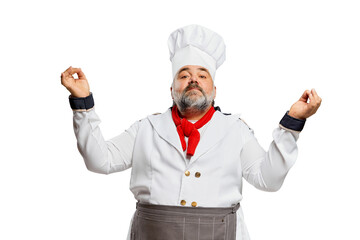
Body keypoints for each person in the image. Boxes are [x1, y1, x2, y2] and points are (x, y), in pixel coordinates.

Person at [61, 24, 321, 240]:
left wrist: (292, 124)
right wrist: (83, 104)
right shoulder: (145, 128)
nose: (193, 79)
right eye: (184, 75)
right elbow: (99, 160)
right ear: (172, 89)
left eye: (202, 75)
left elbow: (269, 179)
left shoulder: (235, 130)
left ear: (214, 90)